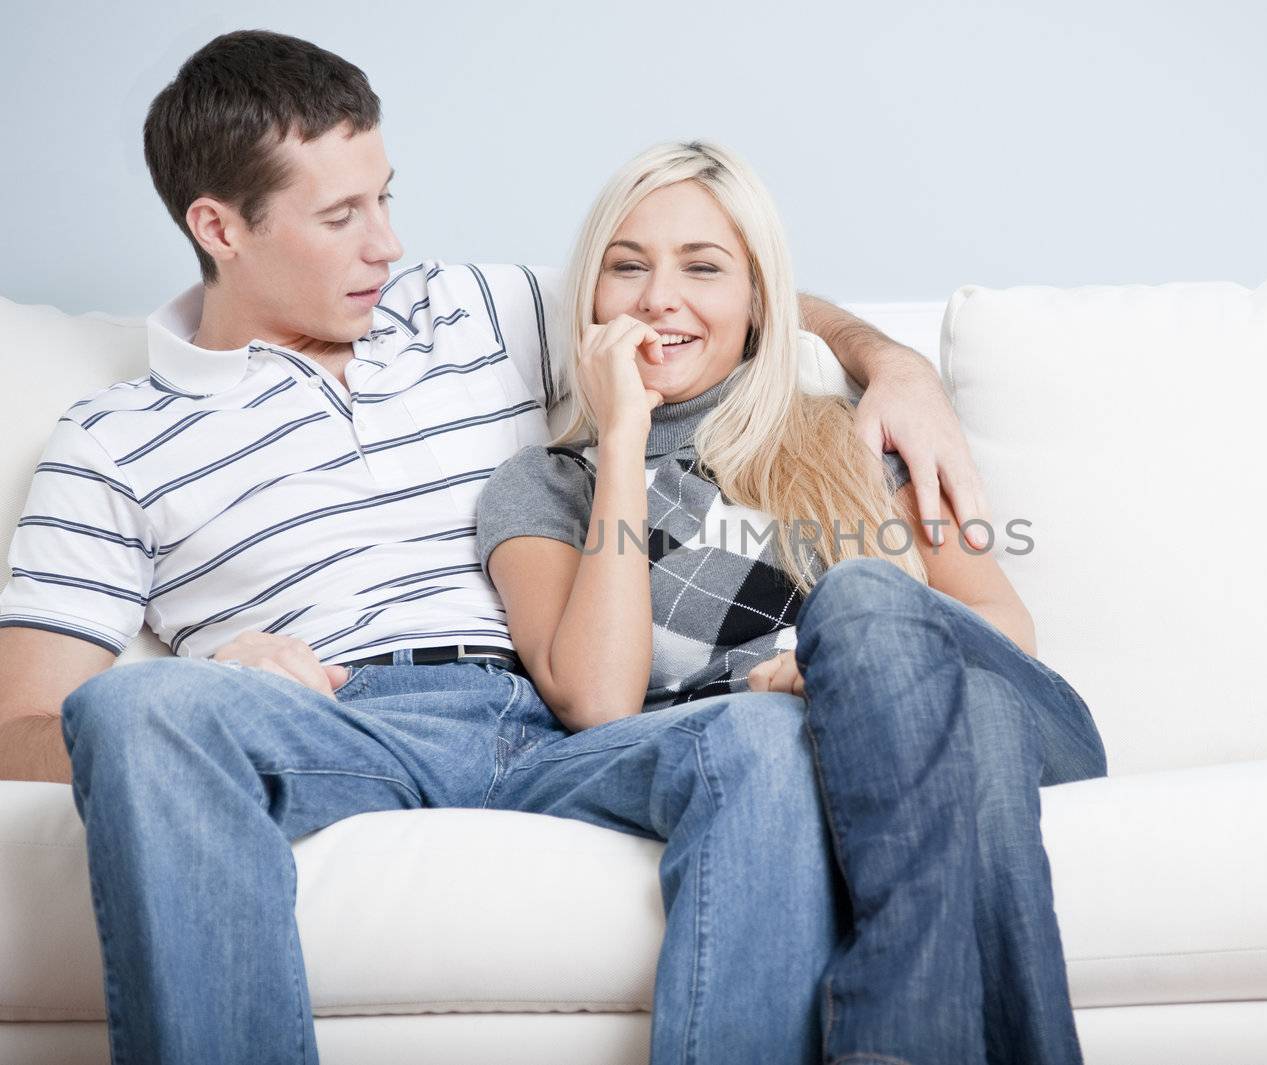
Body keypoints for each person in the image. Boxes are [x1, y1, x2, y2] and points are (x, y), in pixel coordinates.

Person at [0, 31, 988, 1065]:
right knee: (136, 705)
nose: (386, 243)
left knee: (760, 742)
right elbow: (19, 726)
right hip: (337, 725)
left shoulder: (479, 312)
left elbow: (724, 294)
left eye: (386, 197)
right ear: (220, 228)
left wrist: (896, 367)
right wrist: (209, 682)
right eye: (341, 216)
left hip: (555, 719)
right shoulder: (113, 440)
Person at [477, 141, 1109, 1065]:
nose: (660, 297)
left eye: (703, 267)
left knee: (863, 604)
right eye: (628, 267)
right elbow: (597, 699)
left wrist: (849, 670)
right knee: (970, 723)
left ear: (757, 301)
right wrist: (622, 438)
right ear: (592, 300)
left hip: (975, 702)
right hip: (841, 737)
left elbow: (1006, 628)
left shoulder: (848, 431)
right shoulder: (544, 487)